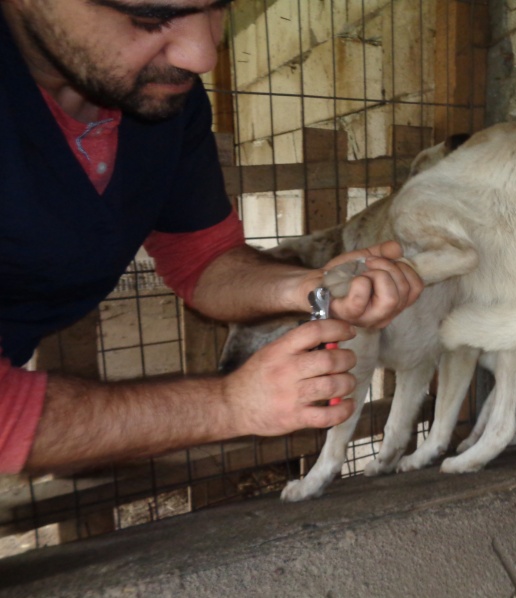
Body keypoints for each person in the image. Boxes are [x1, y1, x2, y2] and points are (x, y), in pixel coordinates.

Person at [0, 0, 423, 475]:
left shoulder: (164, 101)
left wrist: (308, 288)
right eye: (149, 16)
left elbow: (203, 258)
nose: (203, 56)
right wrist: (231, 405)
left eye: (222, 8)